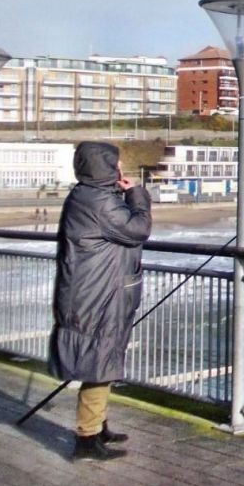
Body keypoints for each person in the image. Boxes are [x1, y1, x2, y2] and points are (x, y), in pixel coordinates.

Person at [48, 142, 152, 462]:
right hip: (98, 295)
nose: (120, 169)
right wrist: (137, 195)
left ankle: (97, 425)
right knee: (99, 361)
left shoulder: (85, 196)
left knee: (101, 359)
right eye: (116, 164)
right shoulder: (99, 203)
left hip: (92, 291)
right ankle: (87, 438)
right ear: (106, 167)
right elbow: (138, 229)